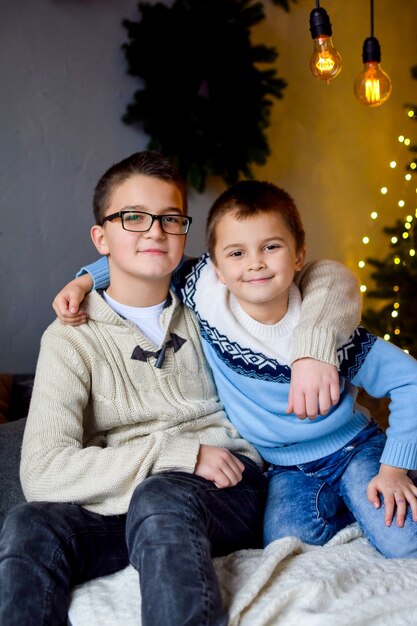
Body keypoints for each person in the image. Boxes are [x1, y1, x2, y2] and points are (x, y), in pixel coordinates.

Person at [59, 179, 417, 558]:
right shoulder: (206, 296)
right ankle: (350, 510)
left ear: (299, 256)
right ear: (216, 268)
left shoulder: (328, 329)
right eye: (236, 254)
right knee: (283, 547)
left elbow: (409, 380)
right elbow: (149, 260)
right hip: (285, 470)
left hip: (354, 448)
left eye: (271, 247)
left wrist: (394, 467)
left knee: (402, 541)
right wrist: (85, 281)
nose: (255, 263)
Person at [0, 152, 269, 626]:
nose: (155, 231)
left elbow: (310, 272)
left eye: (170, 219)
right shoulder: (69, 339)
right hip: (130, 494)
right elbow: (41, 472)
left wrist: (309, 349)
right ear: (100, 237)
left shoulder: (214, 297)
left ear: (184, 232)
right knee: (30, 523)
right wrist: (177, 452)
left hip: (225, 486)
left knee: (160, 497)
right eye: (133, 218)